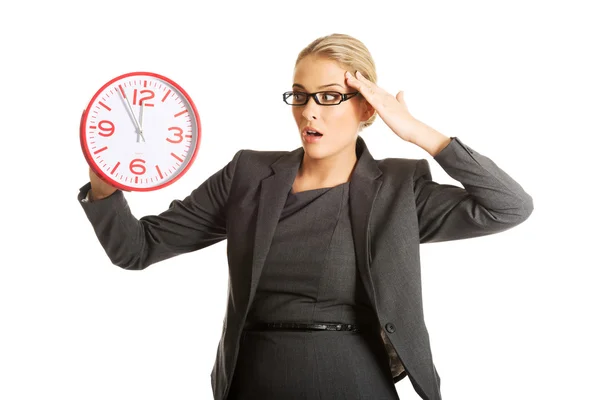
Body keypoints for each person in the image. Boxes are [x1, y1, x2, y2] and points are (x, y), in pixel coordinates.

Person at [77, 33, 534, 400]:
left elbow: (508, 206)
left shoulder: (398, 189)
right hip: (252, 378)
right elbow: (134, 249)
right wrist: (105, 170)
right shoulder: (248, 174)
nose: (309, 112)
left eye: (329, 96)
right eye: (299, 96)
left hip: (351, 378)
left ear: (367, 107)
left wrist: (418, 133)